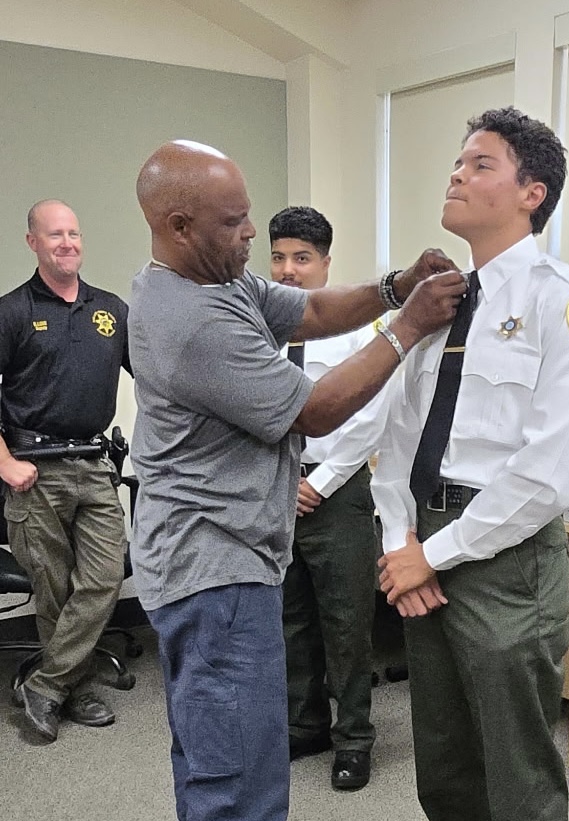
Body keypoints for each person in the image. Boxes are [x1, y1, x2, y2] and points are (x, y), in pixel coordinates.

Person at [128, 139, 466, 821]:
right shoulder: (192, 321)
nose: (253, 233)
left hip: (216, 558)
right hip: (212, 571)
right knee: (239, 782)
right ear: (178, 226)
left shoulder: (213, 277)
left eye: (248, 215)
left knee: (216, 750)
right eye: (234, 222)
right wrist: (406, 326)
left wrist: (393, 286)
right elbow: (312, 410)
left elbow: (309, 311)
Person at [374, 107, 569, 821]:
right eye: (457, 161)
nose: (456, 173)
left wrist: (436, 554)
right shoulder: (440, 305)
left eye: (480, 164)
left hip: (504, 562)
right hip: (422, 538)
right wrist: (400, 544)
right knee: (444, 765)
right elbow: (396, 433)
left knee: (519, 778)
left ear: (531, 192)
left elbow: (551, 472)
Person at [0, 199, 131, 743]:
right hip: (35, 470)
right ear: (32, 242)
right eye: (54, 234)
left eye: (74, 233)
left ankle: (46, 685)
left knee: (102, 578)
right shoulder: (10, 312)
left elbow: (158, 375)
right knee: (53, 591)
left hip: (94, 463)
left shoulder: (111, 309)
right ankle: (72, 693)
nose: (67, 243)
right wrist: (6, 463)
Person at [270, 206, 388, 791]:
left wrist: (321, 480)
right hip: (275, 490)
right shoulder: (262, 326)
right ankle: (306, 722)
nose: (288, 270)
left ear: (325, 264)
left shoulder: (357, 331)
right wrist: (283, 482)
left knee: (346, 622)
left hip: (335, 492)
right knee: (291, 615)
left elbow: (372, 415)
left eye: (302, 259)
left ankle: (354, 738)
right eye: (279, 257)